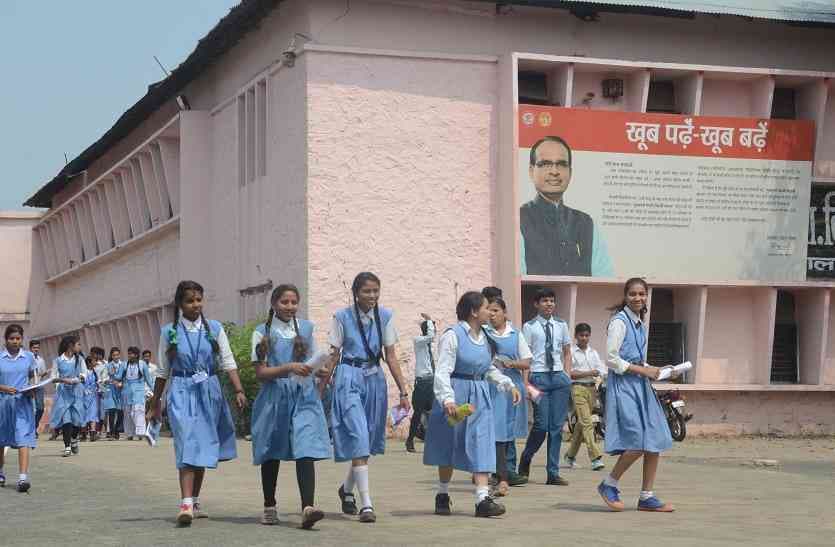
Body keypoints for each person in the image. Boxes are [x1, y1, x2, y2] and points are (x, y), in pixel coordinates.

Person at [147, 280, 248, 526]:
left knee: (201, 445)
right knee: (186, 444)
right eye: (190, 300)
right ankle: (185, 504)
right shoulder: (169, 332)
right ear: (180, 304)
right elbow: (162, 370)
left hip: (209, 391)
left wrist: (238, 389)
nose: (195, 305)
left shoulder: (214, 329)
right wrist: (155, 402)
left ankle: (194, 499)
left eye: (199, 300)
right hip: (181, 391)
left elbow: (227, 360)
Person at [423, 291, 521, 518]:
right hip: (456, 393)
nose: (490, 312)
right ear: (474, 311)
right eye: (487, 308)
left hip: (479, 395)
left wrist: (508, 384)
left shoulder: (486, 337)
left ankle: (482, 500)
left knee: (482, 443)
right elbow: (443, 370)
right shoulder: (453, 335)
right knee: (449, 444)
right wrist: (447, 399)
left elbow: (487, 368)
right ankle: (442, 493)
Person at [324, 272, 411, 524]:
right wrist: (320, 389)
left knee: (368, 440)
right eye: (366, 291)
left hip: (374, 379)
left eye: (375, 291)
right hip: (348, 377)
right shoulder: (341, 317)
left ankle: (346, 489)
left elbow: (391, 356)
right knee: (359, 436)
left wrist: (404, 392)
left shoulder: (385, 317)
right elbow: (333, 354)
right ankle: (367, 504)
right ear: (356, 293)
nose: (372, 296)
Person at [250, 284, 331, 528]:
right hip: (274, 397)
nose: (290, 307)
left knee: (305, 447)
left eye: (294, 302)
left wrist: (319, 369)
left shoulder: (306, 329)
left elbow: (314, 363)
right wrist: (288, 368)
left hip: (303, 397)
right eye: (284, 302)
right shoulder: (262, 332)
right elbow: (261, 372)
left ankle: (307, 507)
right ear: (274, 304)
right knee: (271, 451)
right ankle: (269, 505)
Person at [597, 278, 675, 513]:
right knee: (638, 441)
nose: (638, 298)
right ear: (625, 296)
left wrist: (657, 370)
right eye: (633, 294)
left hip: (640, 385)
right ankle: (609, 483)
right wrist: (643, 370)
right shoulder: (619, 322)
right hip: (624, 387)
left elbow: (635, 358)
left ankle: (646, 496)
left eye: (642, 294)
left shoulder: (639, 323)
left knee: (655, 438)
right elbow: (611, 359)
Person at [520, 136, 613, 276]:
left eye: (562, 164)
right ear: (531, 171)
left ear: (570, 172)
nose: (554, 171)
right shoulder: (519, 218)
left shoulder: (586, 223)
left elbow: (604, 278)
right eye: (545, 164)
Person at [517, 288, 572, 486]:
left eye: (552, 301)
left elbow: (566, 351)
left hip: (558, 379)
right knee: (541, 425)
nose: (549, 304)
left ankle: (552, 472)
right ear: (536, 304)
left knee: (557, 428)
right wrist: (525, 384)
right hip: (538, 378)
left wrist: (566, 374)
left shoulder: (561, 325)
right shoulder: (529, 326)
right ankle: (526, 457)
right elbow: (525, 356)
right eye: (545, 301)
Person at [484, 297, 532, 496]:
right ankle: (496, 472)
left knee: (509, 429)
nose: (492, 314)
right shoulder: (484, 334)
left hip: (512, 386)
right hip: (492, 385)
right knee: (494, 430)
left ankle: (507, 471)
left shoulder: (515, 334)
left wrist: (510, 364)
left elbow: (527, 361)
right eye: (489, 310)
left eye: (495, 310)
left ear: (505, 312)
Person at [0, 325, 37, 492]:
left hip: (22, 404)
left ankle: (23, 478)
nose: (15, 341)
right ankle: (0, 472)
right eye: (12, 338)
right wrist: (4, 388)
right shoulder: (0, 357)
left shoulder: (28, 357)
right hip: (3, 404)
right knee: (2, 440)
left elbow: (32, 377)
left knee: (23, 439)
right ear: (5, 339)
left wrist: (32, 388)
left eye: (18, 338)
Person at [565, 323, 606, 471]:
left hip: (591, 390)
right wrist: (589, 372)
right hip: (577, 388)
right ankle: (595, 458)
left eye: (586, 335)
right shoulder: (571, 352)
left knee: (581, 425)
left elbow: (601, 369)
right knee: (588, 422)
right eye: (581, 335)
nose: (584, 338)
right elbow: (569, 372)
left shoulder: (593, 352)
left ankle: (570, 456)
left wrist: (599, 373)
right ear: (576, 336)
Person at [49, 335, 87, 457]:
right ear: (70, 345)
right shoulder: (58, 360)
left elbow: (84, 374)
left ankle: (74, 438)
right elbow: (53, 377)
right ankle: (67, 446)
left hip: (76, 392)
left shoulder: (80, 359)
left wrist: (75, 380)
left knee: (77, 420)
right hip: (63, 394)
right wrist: (60, 382)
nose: (80, 346)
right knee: (66, 419)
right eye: (78, 344)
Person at [405, 314, 436, 453]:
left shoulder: (431, 346)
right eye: (432, 328)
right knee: (418, 412)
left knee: (434, 412)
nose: (434, 331)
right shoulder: (419, 341)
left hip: (432, 380)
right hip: (423, 382)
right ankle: (410, 439)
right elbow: (430, 336)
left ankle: (428, 437)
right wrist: (429, 320)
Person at [114, 347, 153, 441]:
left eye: (131, 354)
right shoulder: (124, 364)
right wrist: (115, 381)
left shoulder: (142, 364)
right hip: (126, 392)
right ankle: (129, 433)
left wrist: (153, 391)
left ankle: (140, 433)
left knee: (138, 411)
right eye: (129, 354)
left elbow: (148, 379)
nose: (130, 356)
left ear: (136, 355)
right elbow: (118, 377)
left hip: (139, 392)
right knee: (127, 413)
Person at [102, 347, 123, 440]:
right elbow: (104, 377)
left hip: (121, 390)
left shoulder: (123, 365)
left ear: (119, 355)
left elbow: (126, 377)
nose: (116, 357)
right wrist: (107, 380)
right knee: (111, 411)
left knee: (120, 412)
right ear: (111, 356)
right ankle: (112, 432)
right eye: (114, 355)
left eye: (117, 355)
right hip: (111, 390)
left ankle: (117, 430)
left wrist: (121, 384)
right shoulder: (108, 365)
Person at [29, 340, 48, 438]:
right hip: (29, 387)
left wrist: (44, 373)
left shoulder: (41, 360)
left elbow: (43, 372)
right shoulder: (27, 359)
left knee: (40, 408)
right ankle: (31, 430)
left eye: (37, 348)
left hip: (39, 386)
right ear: (30, 348)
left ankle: (34, 426)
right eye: (34, 348)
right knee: (31, 409)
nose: (36, 349)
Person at [81, 355, 101, 442]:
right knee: (84, 415)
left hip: (93, 396)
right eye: (94, 361)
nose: (95, 363)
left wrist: (101, 389)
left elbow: (97, 383)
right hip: (84, 396)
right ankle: (83, 434)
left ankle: (93, 433)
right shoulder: (83, 372)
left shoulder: (95, 372)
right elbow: (80, 383)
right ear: (89, 363)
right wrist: (84, 390)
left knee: (93, 414)